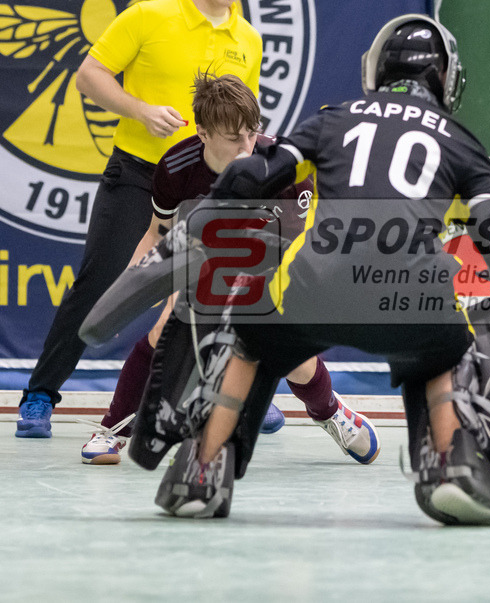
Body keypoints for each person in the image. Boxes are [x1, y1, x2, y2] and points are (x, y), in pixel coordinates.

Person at [142, 14, 490, 523]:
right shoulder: (461, 143)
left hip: (312, 289)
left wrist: (191, 231)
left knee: (246, 336)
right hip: (409, 299)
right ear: (448, 80)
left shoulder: (330, 120)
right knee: (451, 343)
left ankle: (202, 467)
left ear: (374, 72)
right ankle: (452, 459)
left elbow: (256, 173)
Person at [17, 0, 262, 438]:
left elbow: (245, 120)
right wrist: (141, 111)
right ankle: (40, 395)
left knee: (218, 294)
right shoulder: (149, 16)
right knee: (101, 284)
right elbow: (89, 75)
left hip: (207, 186)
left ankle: (229, 392)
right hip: (138, 175)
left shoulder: (248, 38)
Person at [79, 73, 380, 467]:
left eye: (252, 133)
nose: (246, 146)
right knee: (167, 324)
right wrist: (125, 296)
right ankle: (113, 429)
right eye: (233, 137)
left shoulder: (287, 169)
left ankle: (330, 411)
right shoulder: (176, 168)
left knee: (288, 352)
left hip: (272, 263)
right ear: (203, 133)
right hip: (202, 260)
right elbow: (157, 235)